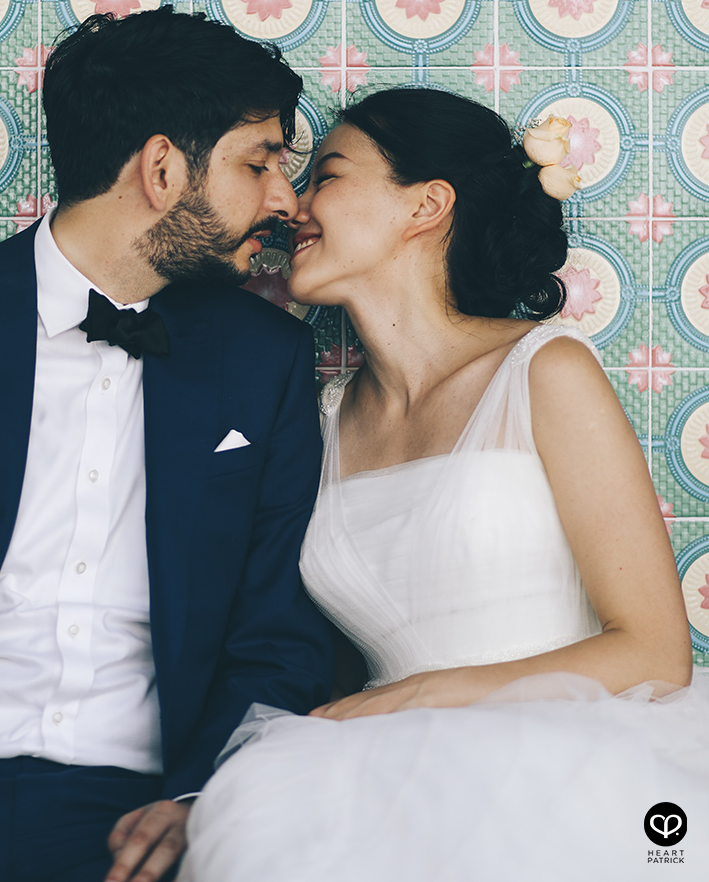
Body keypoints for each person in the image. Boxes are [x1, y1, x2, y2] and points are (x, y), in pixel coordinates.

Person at [0, 9, 334, 882]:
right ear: (160, 168)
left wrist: (202, 799)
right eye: (258, 162)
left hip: (150, 819)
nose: (282, 201)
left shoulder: (265, 361)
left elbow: (276, 630)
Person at [178, 86, 709, 882]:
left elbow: (654, 651)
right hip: (378, 780)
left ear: (425, 204)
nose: (291, 206)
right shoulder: (317, 421)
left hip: (573, 763)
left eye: (327, 174)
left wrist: (418, 698)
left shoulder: (543, 369)